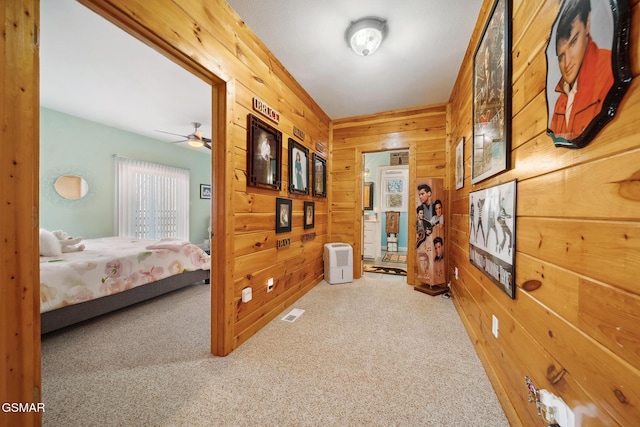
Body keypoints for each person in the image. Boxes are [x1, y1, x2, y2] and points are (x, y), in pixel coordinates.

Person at [549, 0, 613, 140]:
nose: (567, 63)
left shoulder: (609, 69)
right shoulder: (560, 102)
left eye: (573, 42)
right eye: (561, 56)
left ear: (588, 23)